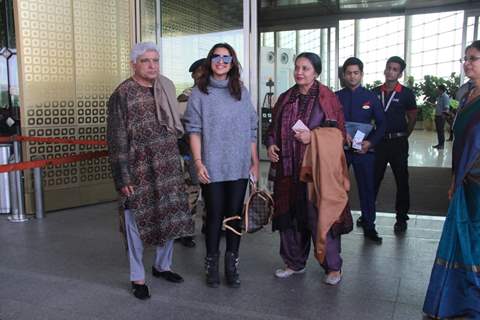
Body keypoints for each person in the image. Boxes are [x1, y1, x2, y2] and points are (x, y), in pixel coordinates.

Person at [107, 42, 194, 300]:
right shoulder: (122, 93)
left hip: (168, 165)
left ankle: (162, 266)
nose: (152, 65)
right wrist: (122, 176)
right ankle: (138, 277)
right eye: (146, 61)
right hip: (139, 168)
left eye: (155, 60)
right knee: (135, 222)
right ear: (134, 64)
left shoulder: (165, 87)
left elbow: (177, 127)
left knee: (169, 216)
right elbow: (116, 138)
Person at [265, 52, 349, 286]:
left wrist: (313, 136)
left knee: (321, 216)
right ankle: (294, 262)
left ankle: (333, 267)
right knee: (290, 216)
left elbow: (339, 134)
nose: (299, 72)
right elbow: (272, 128)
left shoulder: (326, 98)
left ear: (316, 72)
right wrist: (271, 144)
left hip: (316, 171)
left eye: (306, 68)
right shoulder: (285, 98)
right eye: (297, 67)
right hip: (288, 169)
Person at [184, 43, 259, 288]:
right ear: (210, 61)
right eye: (216, 57)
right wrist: (198, 163)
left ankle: (231, 265)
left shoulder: (241, 91)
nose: (221, 61)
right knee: (215, 216)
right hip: (212, 166)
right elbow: (193, 131)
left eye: (226, 57)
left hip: (238, 165)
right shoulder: (199, 93)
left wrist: (255, 162)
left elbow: (251, 129)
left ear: (233, 62)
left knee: (235, 217)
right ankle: (211, 264)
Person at [423, 40, 480, 319]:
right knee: (461, 236)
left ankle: (473, 302)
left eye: (474, 58)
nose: (467, 63)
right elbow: (461, 139)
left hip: (479, 182)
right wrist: (455, 179)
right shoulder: (467, 93)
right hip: (464, 179)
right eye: (466, 58)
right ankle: (453, 299)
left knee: (475, 241)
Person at [336, 57, 386, 243]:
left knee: (367, 188)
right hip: (341, 151)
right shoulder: (336, 97)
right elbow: (329, 122)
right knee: (337, 188)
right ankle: (336, 221)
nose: (352, 76)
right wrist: (340, 133)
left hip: (364, 151)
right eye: (348, 73)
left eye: (356, 73)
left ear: (362, 74)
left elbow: (382, 124)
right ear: (344, 75)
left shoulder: (371, 97)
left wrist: (370, 143)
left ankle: (369, 225)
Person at [373, 56, 417, 233]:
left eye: (395, 69)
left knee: (402, 180)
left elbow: (412, 118)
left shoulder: (406, 93)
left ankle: (401, 217)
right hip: (379, 143)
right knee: (374, 179)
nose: (390, 71)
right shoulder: (375, 92)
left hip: (398, 142)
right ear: (385, 70)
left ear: (400, 73)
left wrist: (405, 135)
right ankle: (368, 213)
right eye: (388, 68)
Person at [175, 58, 206, 248]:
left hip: (213, 151)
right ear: (193, 75)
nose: (203, 75)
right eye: (199, 72)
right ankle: (185, 231)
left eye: (206, 71)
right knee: (190, 191)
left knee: (212, 192)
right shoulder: (186, 96)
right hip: (192, 151)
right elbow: (178, 127)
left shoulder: (216, 94)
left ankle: (212, 226)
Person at [433, 84, 450, 149]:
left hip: (441, 117)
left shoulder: (445, 97)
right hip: (437, 115)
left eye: (438, 89)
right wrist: (432, 104)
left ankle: (442, 145)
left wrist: (443, 116)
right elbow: (438, 106)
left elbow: (446, 107)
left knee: (441, 131)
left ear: (441, 90)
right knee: (438, 131)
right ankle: (439, 144)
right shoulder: (439, 96)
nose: (437, 90)